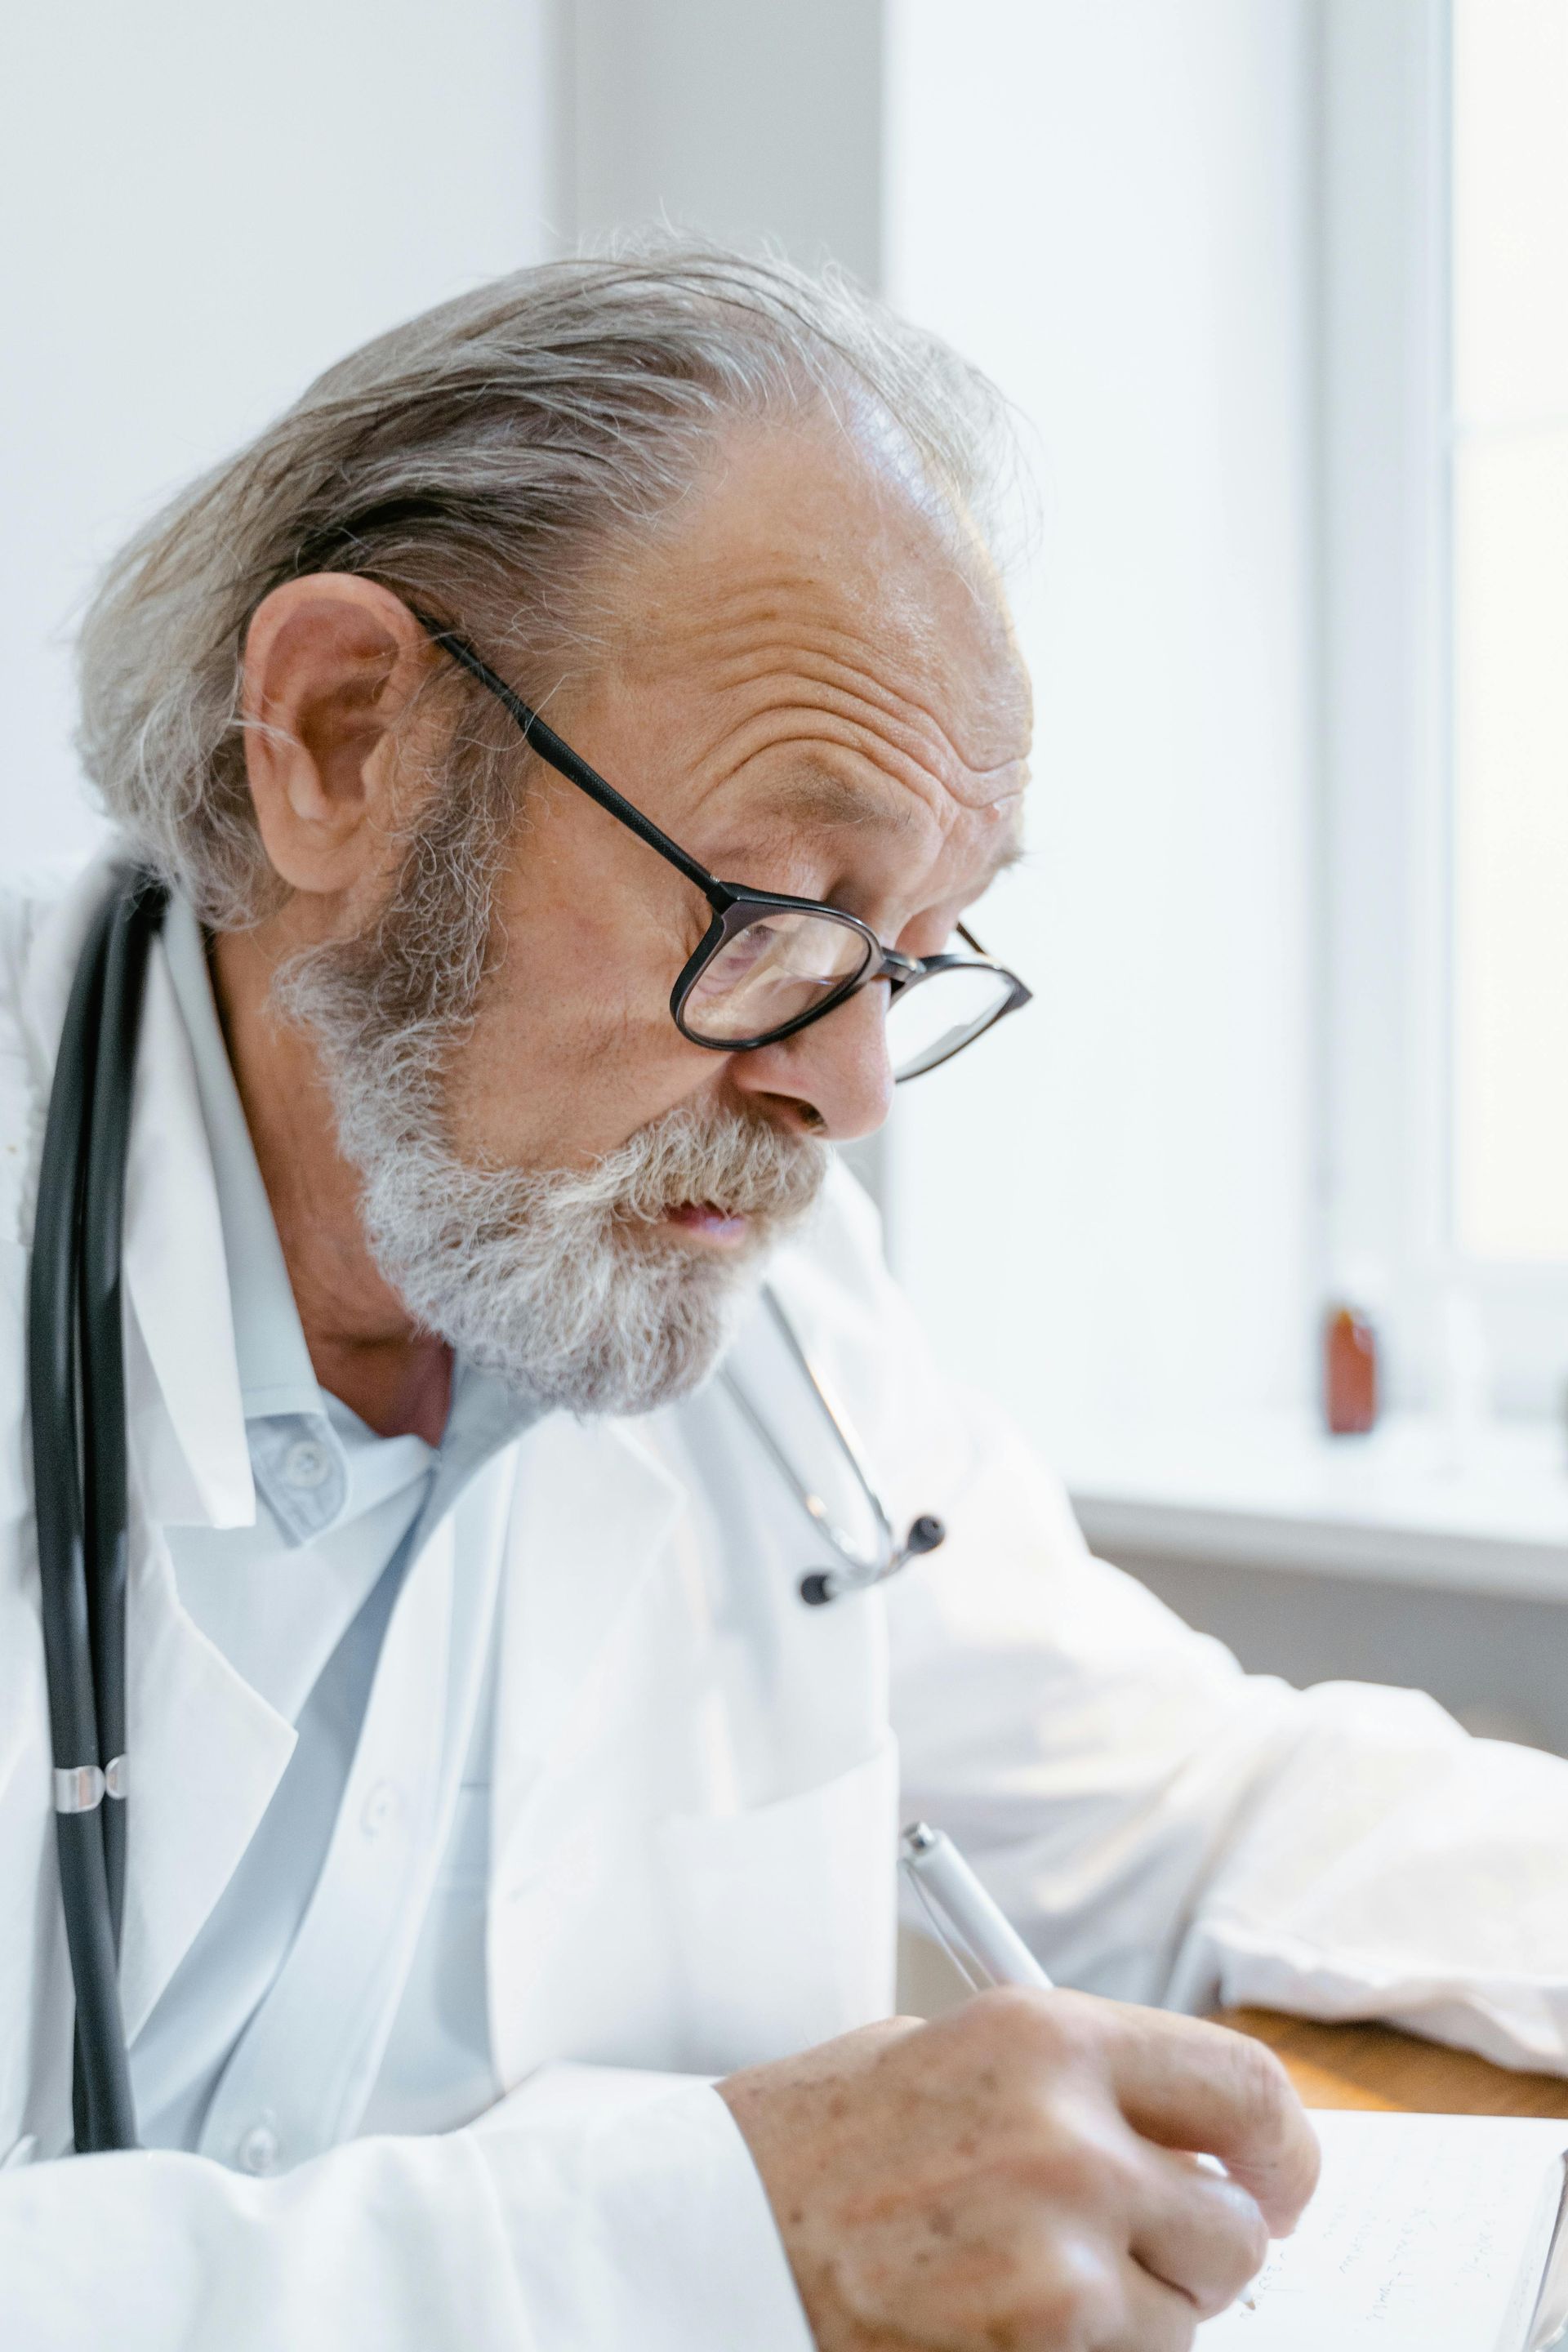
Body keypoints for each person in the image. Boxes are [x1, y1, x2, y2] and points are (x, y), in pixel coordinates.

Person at [0, 243, 1561, 2352]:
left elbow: (1186, 1802)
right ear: (344, 741)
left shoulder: (739, 1285)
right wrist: (708, 2242)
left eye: (910, 951)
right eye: (782, 906)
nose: (842, 1089)